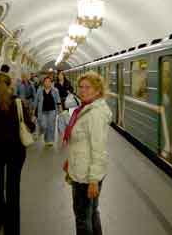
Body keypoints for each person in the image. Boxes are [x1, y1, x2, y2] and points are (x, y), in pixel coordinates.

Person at [0, 73, 35, 235]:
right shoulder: (18, 104)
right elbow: (30, 127)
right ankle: (12, 229)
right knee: (13, 190)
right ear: (11, 84)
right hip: (16, 153)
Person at [62, 71, 112, 235]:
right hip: (83, 168)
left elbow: (98, 149)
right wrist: (70, 160)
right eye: (81, 87)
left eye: (87, 87)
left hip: (86, 175)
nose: (83, 90)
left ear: (97, 90)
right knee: (91, 213)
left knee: (82, 218)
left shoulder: (95, 114)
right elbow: (81, 143)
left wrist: (93, 180)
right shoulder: (86, 109)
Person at [35, 76, 62, 146]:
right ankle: (46, 137)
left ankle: (49, 140)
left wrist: (60, 110)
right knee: (44, 125)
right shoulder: (39, 90)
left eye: (49, 82)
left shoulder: (55, 90)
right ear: (43, 82)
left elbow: (58, 101)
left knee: (51, 125)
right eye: (46, 81)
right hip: (42, 111)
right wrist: (33, 110)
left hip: (52, 110)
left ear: (51, 83)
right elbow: (36, 101)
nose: (47, 83)